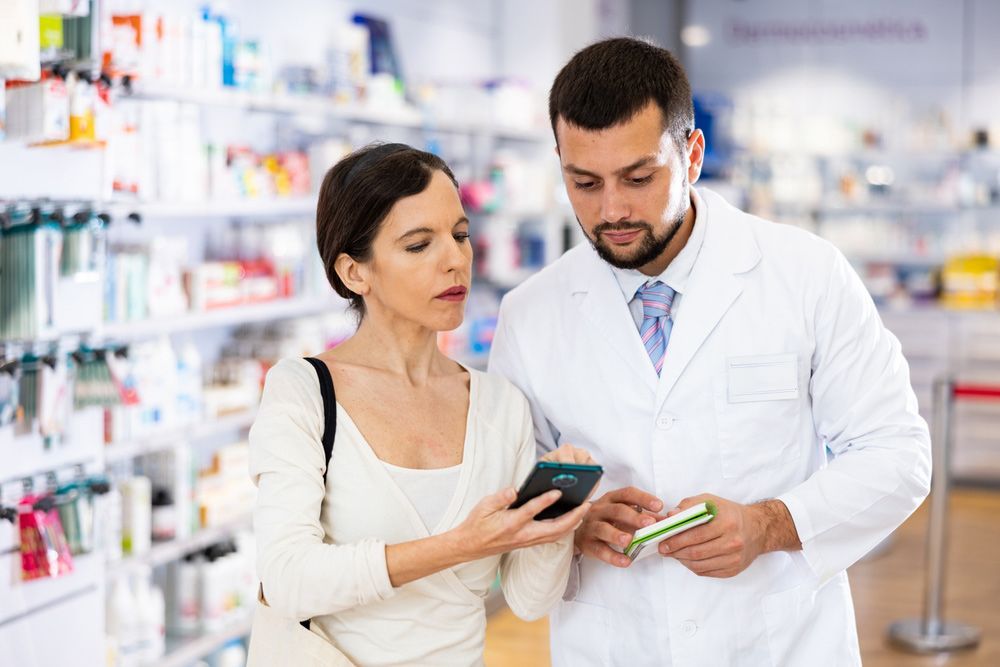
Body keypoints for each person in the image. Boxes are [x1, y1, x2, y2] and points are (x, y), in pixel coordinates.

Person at [488, 37, 932, 666]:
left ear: (692, 155)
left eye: (639, 178)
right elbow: (514, 488)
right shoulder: (530, 313)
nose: (611, 209)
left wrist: (769, 524)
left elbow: (899, 454)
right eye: (583, 182)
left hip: (775, 641)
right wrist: (573, 527)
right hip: (616, 641)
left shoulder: (804, 274)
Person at [248, 143, 594, 666]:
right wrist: (462, 544)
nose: (455, 260)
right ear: (354, 273)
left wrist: (555, 519)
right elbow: (288, 579)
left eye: (459, 235)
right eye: (418, 245)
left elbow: (528, 600)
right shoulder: (304, 391)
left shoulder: (499, 405)